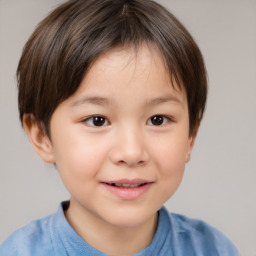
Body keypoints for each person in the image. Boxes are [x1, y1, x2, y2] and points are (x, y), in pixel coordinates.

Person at [0, 0, 240, 255]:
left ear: (191, 135)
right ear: (41, 136)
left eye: (157, 119)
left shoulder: (213, 249)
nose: (131, 153)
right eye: (97, 120)